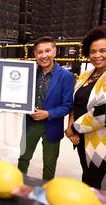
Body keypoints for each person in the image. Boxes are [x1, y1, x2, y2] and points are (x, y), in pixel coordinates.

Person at [65, 25, 106, 189]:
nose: (97, 55)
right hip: (82, 138)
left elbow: (102, 114)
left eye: (102, 50)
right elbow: (76, 102)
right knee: (86, 175)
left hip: (102, 142)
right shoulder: (88, 73)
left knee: (91, 183)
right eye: (93, 51)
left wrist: (74, 128)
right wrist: (70, 125)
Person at [17, 36, 74, 181]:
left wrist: (48, 114)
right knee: (23, 157)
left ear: (54, 51)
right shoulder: (28, 73)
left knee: (49, 163)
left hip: (52, 125)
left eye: (47, 50)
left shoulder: (66, 76)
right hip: (31, 123)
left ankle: (46, 191)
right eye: (39, 52)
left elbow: (67, 105)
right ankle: (18, 184)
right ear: (35, 54)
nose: (43, 55)